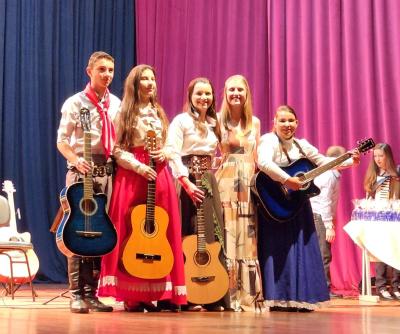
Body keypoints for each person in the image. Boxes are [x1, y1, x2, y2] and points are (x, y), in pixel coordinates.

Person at [97, 64, 187, 312]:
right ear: (134, 85)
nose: (149, 83)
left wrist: (165, 154)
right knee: (131, 232)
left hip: (159, 174)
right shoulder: (124, 112)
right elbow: (115, 149)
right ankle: (132, 295)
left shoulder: (159, 111)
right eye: (144, 79)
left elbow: (171, 144)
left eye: (152, 79)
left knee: (162, 231)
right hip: (133, 175)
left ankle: (160, 292)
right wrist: (138, 166)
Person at [256, 105, 360, 312]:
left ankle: (300, 298)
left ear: (297, 123)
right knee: (277, 250)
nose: (287, 125)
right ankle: (276, 297)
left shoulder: (302, 145)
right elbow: (263, 162)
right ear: (274, 123)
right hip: (274, 205)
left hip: (297, 204)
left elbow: (324, 162)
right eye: (282, 121)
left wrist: (350, 160)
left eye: (291, 121)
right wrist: (287, 180)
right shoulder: (268, 141)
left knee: (301, 249)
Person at [56, 51, 120, 313]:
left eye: (111, 71)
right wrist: (76, 159)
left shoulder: (116, 103)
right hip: (81, 170)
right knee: (77, 229)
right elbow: (62, 141)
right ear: (89, 71)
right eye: (102, 70)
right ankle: (75, 294)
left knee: (99, 232)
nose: (107, 75)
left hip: (107, 171)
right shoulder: (75, 103)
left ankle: (92, 293)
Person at [165, 77, 227, 311]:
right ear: (190, 96)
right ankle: (187, 296)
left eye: (208, 94)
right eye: (199, 93)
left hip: (208, 180)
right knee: (187, 233)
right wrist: (186, 182)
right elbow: (171, 152)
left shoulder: (214, 122)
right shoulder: (181, 121)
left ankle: (212, 294)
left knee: (211, 235)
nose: (204, 98)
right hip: (186, 180)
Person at [214, 75, 263, 312]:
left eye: (240, 89)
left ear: (246, 93)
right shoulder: (217, 121)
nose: (235, 93)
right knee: (228, 236)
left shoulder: (255, 122)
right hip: (225, 184)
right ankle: (226, 295)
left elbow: (257, 158)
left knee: (248, 239)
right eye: (231, 89)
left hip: (248, 186)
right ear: (225, 92)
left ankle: (248, 297)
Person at [363, 143, 400, 300]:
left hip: (394, 217)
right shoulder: (373, 175)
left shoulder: (396, 175)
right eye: (375, 156)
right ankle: (381, 286)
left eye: (381, 156)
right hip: (378, 218)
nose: (378, 159)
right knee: (381, 253)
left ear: (388, 156)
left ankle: (396, 285)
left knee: (396, 252)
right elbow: (369, 197)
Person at [310, 145, 346, 298]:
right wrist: (329, 225)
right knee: (324, 253)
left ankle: (321, 287)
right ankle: (323, 289)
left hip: (320, 216)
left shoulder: (332, 174)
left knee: (323, 253)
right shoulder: (328, 175)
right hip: (320, 216)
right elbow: (324, 201)